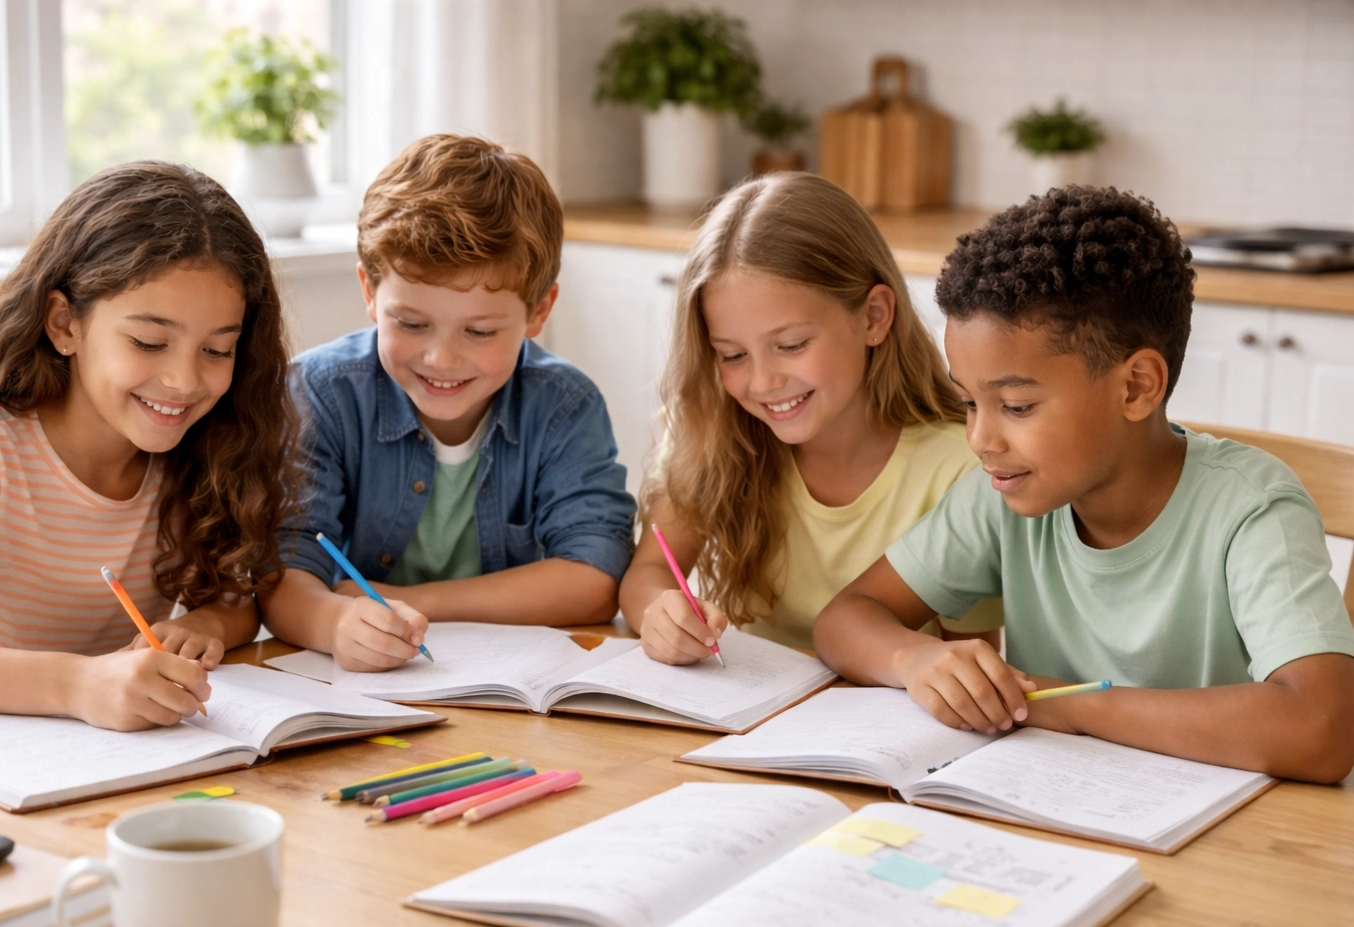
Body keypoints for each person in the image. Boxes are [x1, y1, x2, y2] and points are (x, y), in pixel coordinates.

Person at [815, 185, 1354, 783]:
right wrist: (915, 658)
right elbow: (844, 619)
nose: (980, 438)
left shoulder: (1251, 511)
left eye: (1016, 406)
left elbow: (1321, 728)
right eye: (969, 402)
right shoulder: (1005, 493)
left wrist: (1066, 703)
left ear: (1136, 387)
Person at [0, 162, 298, 731]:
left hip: (92, 764)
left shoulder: (202, 449)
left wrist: (206, 624)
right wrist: (78, 683)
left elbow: (236, 602)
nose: (184, 380)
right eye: (149, 342)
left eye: (218, 350)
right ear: (64, 324)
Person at [260, 134, 636, 671]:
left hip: (512, 687)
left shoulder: (564, 406)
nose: (441, 358)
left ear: (538, 311)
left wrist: (416, 603)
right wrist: (335, 623)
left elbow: (594, 578)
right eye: (411, 323)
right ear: (369, 292)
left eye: (480, 331)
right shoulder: (322, 394)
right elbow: (284, 576)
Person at [619, 172, 1000, 663]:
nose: (761, 382)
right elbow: (648, 574)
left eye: (791, 345)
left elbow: (971, 662)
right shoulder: (709, 426)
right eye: (732, 355)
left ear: (874, 317)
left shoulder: (961, 469)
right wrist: (661, 613)